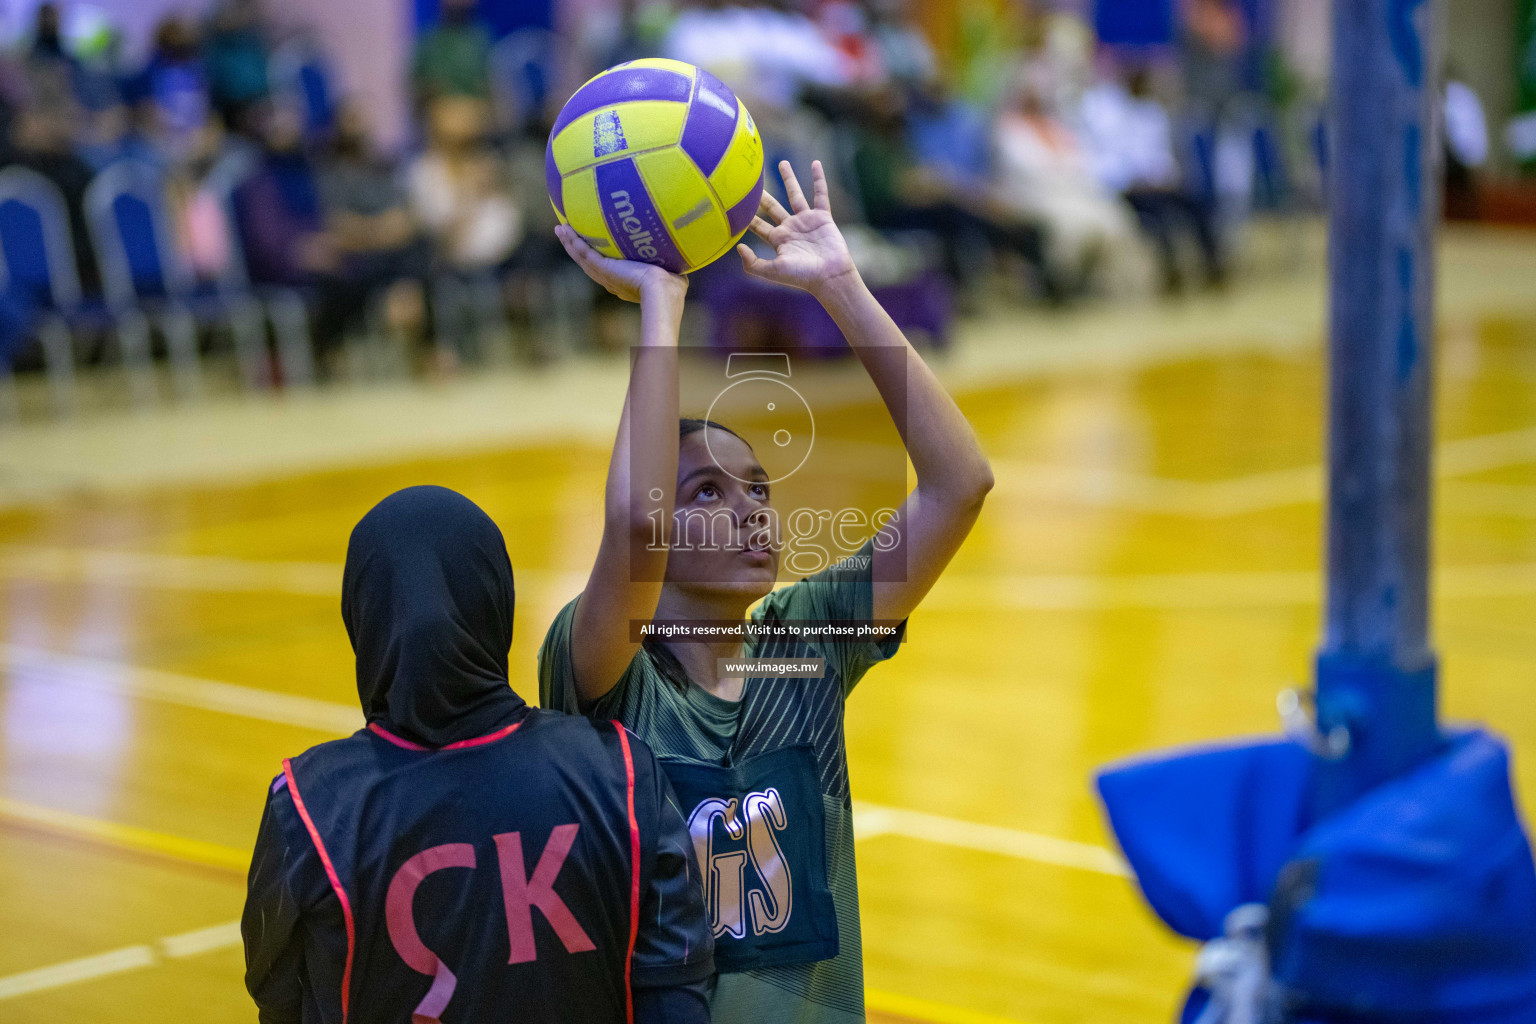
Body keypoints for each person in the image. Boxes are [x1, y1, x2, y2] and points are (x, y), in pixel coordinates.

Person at [540, 160, 994, 1024]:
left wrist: (843, 288)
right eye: (708, 492)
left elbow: (959, 485)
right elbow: (634, 526)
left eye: (758, 489)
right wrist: (662, 304)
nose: (751, 511)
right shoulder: (603, 673)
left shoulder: (809, 638)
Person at [242, 485, 715, 1024]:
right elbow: (677, 993)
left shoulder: (308, 806)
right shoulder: (622, 773)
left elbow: (279, 998)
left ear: (363, 612)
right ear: (496, 599)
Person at [411, 0, 493, 107]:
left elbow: (493, 83)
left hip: (476, 113)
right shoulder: (429, 39)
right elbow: (413, 82)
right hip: (438, 111)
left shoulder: (482, 38)